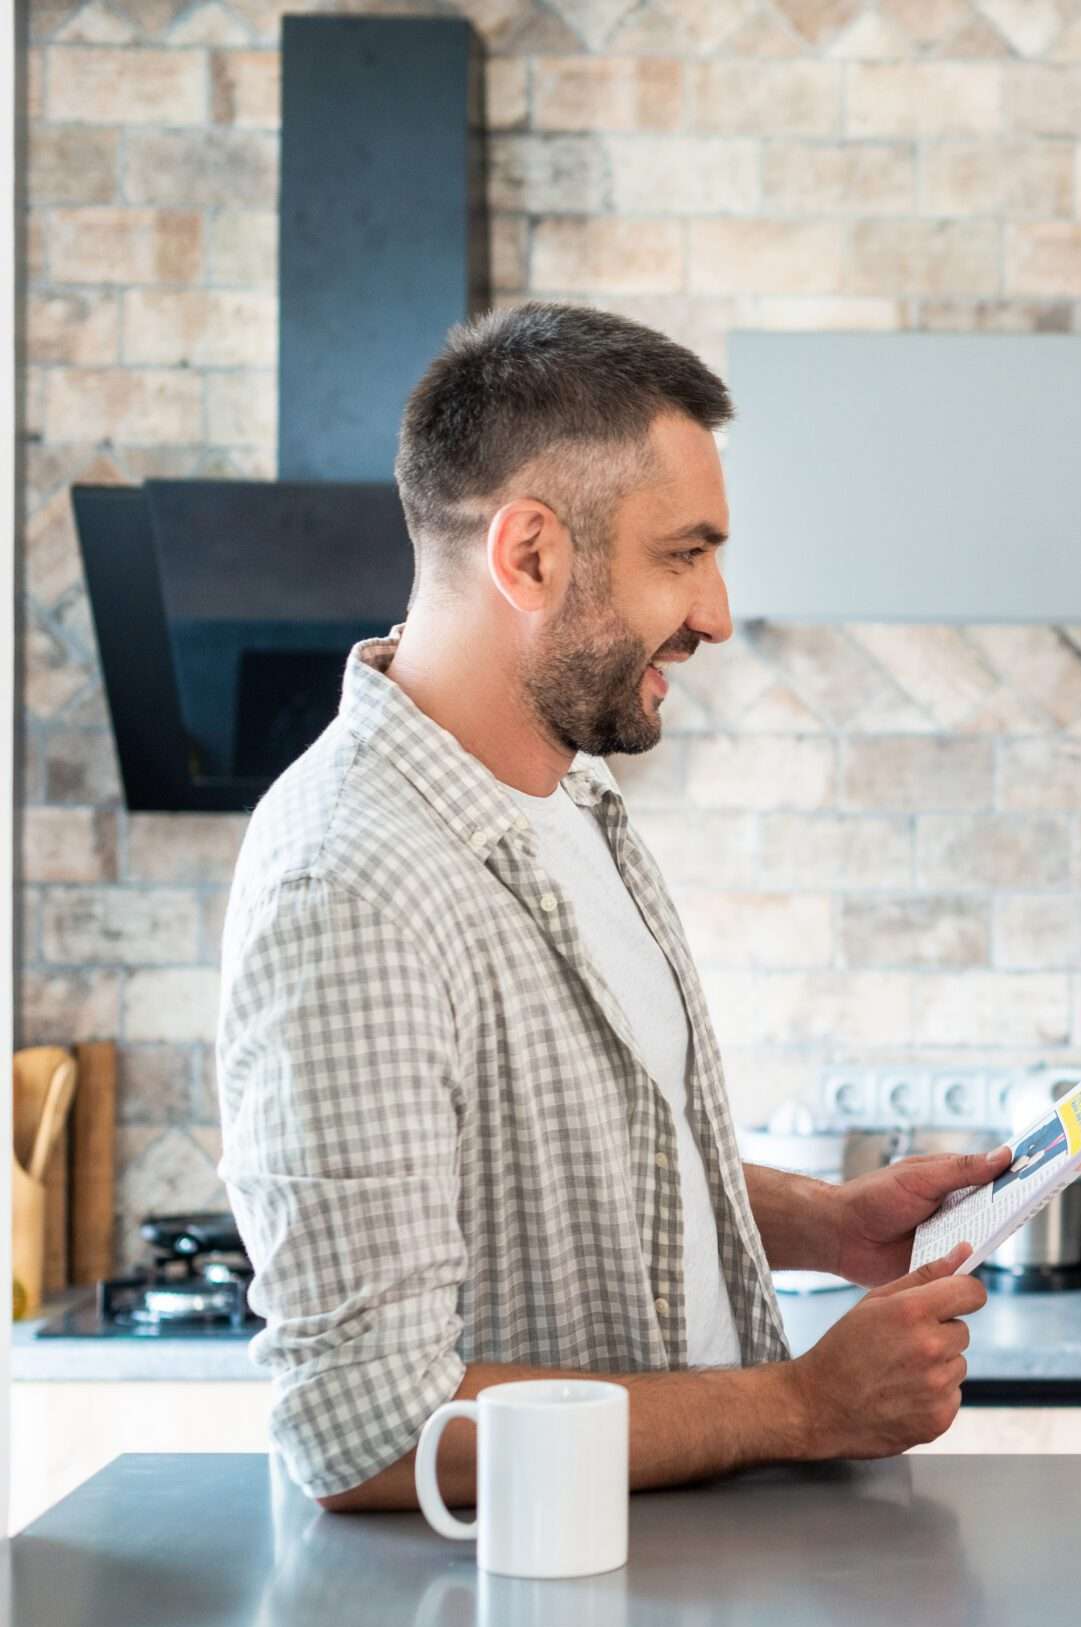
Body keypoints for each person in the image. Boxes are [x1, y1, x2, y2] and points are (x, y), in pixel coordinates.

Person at [218, 303, 1005, 1511]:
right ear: (530, 554)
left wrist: (831, 1225)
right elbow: (367, 1426)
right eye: (681, 555)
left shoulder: (570, 796)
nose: (718, 613)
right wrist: (801, 1407)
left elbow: (592, 1165)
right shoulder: (355, 881)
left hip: (665, 1597)